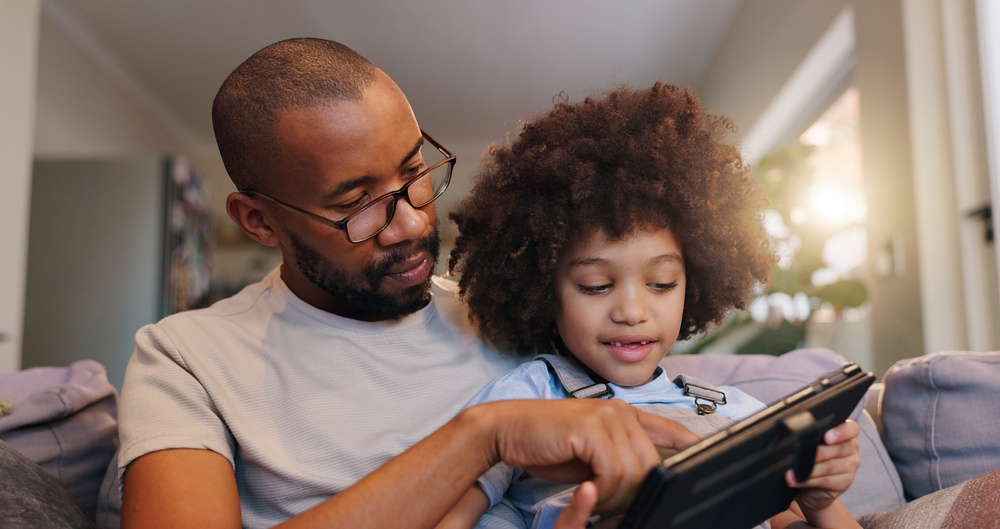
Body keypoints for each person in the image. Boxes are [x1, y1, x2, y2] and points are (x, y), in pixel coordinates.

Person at [116, 38, 700, 529]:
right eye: (357, 204)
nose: (413, 222)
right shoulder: (185, 357)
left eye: (415, 170)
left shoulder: (514, 310)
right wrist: (485, 436)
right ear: (259, 221)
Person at [440, 83, 862, 529]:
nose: (631, 311)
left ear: (694, 283)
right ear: (544, 291)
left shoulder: (733, 409)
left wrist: (820, 502)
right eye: (596, 285)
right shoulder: (527, 398)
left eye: (661, 284)